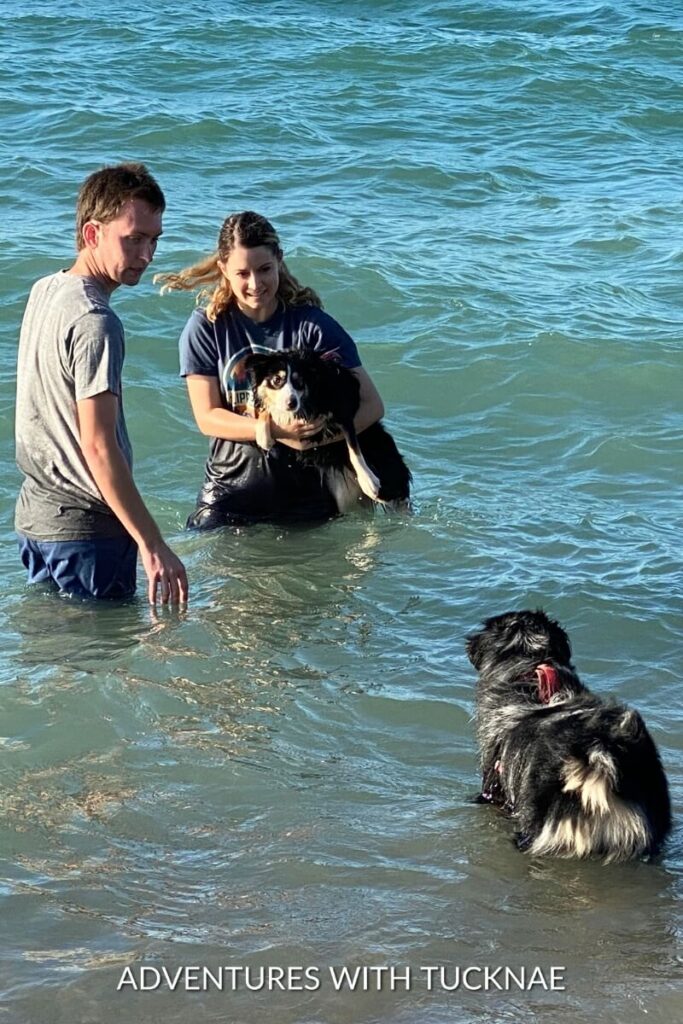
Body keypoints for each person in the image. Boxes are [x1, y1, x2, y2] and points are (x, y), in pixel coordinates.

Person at [15, 162, 188, 603]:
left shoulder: (45, 289)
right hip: (87, 533)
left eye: (154, 241)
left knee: (64, 663)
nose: (147, 255)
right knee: (104, 663)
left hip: (35, 520)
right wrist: (153, 544)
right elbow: (98, 445)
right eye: (133, 239)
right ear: (93, 234)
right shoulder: (97, 320)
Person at [157, 210, 385, 528]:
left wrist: (313, 439)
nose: (255, 283)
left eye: (264, 269)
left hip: (308, 493)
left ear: (279, 259)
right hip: (231, 490)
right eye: (242, 273)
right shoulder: (206, 328)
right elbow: (207, 416)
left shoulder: (313, 327)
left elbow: (372, 406)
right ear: (223, 269)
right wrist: (275, 432)